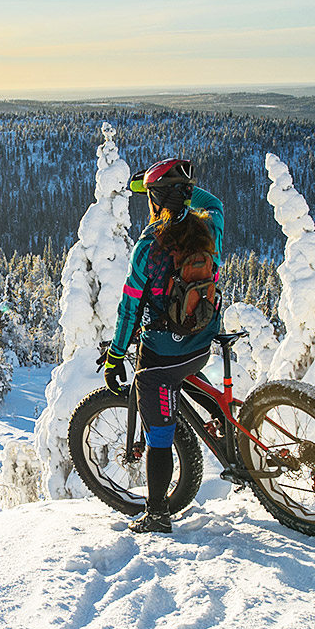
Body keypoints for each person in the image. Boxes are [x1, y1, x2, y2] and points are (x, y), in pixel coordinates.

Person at [101, 157, 223, 533]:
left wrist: (115, 356)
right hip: (203, 343)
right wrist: (183, 193)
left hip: (162, 357)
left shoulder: (148, 249)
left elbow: (129, 308)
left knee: (159, 439)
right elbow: (215, 203)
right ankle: (220, 416)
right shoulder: (209, 227)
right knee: (183, 371)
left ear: (154, 201)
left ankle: (156, 515)